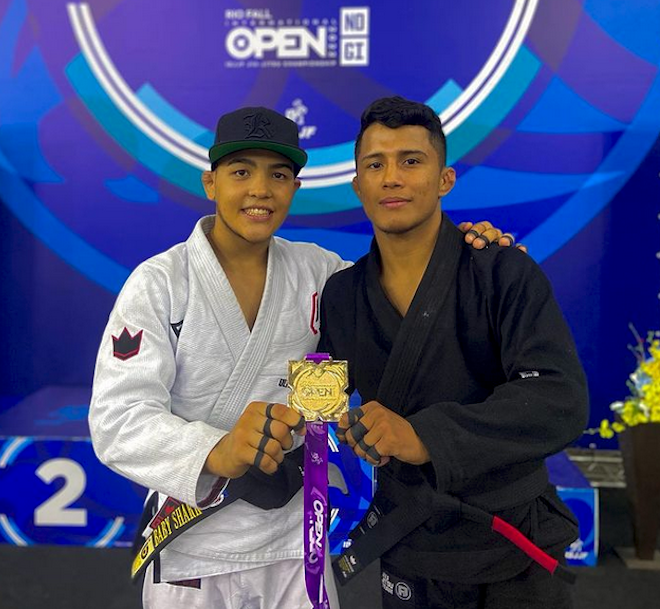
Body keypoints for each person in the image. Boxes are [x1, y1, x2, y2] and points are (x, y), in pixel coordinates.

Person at [88, 105, 517, 609]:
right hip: (192, 547)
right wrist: (218, 449)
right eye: (240, 172)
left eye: (278, 175)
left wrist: (472, 260)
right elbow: (117, 419)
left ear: (294, 188)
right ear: (210, 183)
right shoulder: (159, 283)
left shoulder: (319, 273)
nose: (260, 190)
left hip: (296, 540)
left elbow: (408, 298)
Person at [319, 96, 589, 609]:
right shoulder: (343, 295)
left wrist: (424, 435)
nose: (391, 178)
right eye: (375, 165)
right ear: (357, 186)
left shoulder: (502, 272)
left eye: (411, 161)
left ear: (445, 179)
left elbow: (560, 398)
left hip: (510, 538)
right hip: (411, 541)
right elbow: (320, 402)